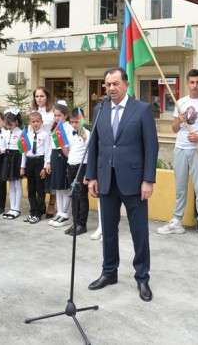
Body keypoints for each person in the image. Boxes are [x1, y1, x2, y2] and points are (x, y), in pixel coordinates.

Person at [86, 66, 159, 302]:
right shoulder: (100, 109)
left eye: (115, 83)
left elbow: (151, 146)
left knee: (139, 232)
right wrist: (91, 177)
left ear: (126, 84)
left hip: (135, 181)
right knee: (108, 230)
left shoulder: (142, 109)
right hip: (106, 179)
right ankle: (109, 272)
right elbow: (94, 147)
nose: (111, 88)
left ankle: (142, 278)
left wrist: (148, 179)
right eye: (107, 84)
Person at [157, 69, 198, 246]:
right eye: (192, 82)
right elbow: (175, 129)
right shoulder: (180, 102)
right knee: (180, 187)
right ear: (187, 83)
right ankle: (177, 221)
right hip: (180, 148)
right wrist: (179, 119)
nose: (194, 85)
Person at [30, 87, 56, 218]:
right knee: (40, 180)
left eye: (42, 96)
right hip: (38, 149)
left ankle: (52, 203)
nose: (39, 99)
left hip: (52, 146)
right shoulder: (33, 111)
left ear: (47, 97)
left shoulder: (53, 112)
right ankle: (41, 205)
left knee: (51, 176)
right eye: (37, 96)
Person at [48, 102, 74, 228]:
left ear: (66, 115)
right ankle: (59, 212)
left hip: (64, 156)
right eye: (55, 115)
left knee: (65, 187)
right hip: (55, 156)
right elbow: (50, 146)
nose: (57, 118)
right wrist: (48, 161)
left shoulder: (68, 128)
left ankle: (66, 214)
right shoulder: (55, 128)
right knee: (58, 187)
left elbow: (68, 145)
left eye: (59, 115)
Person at [21, 111, 50, 224]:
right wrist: (22, 166)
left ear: (41, 122)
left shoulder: (45, 135)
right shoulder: (26, 136)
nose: (35, 123)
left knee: (40, 189)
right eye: (33, 121)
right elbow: (23, 152)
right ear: (29, 122)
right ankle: (33, 211)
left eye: (38, 121)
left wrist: (44, 167)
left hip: (39, 162)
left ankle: (38, 212)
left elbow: (47, 152)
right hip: (29, 162)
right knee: (31, 189)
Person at [64, 107, 90, 236]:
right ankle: (75, 222)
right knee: (73, 195)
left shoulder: (88, 133)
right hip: (71, 166)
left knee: (81, 196)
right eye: (72, 122)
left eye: (77, 122)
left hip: (83, 166)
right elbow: (68, 152)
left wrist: (88, 174)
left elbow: (91, 153)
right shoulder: (69, 134)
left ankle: (82, 224)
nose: (74, 124)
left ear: (83, 119)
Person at [0, 109, 24, 220]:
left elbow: (24, 151)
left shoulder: (22, 133)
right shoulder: (6, 133)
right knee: (11, 185)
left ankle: (17, 208)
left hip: (17, 158)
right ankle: (12, 207)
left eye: (11, 123)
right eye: (7, 124)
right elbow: (4, 148)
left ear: (17, 122)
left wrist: (22, 166)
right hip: (8, 158)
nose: (8, 126)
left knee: (17, 184)